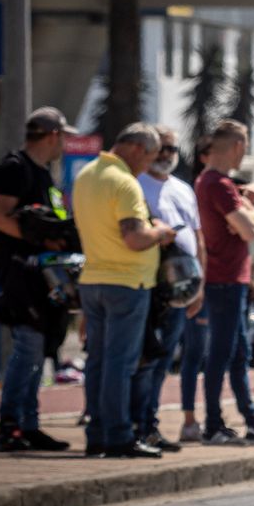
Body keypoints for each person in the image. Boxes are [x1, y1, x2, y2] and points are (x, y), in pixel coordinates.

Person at [74, 123, 176, 459]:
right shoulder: (125, 183)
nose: (148, 164)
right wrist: (159, 231)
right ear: (135, 149)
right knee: (120, 363)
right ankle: (118, 435)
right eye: (149, 157)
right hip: (126, 283)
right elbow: (134, 238)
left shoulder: (87, 174)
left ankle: (97, 434)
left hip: (93, 280)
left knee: (98, 362)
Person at [0, 107, 78, 452]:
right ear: (53, 135)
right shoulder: (15, 169)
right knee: (26, 352)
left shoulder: (43, 174)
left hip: (40, 277)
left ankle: (29, 424)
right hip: (18, 276)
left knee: (37, 353)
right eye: (64, 136)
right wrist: (39, 239)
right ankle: (9, 426)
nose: (66, 143)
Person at [196, 119, 254, 446]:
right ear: (237, 146)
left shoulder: (217, 183)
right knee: (222, 353)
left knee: (236, 352)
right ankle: (213, 425)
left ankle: (249, 421)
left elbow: (248, 224)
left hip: (229, 279)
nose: (244, 152)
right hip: (224, 280)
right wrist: (251, 210)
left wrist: (248, 213)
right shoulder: (218, 184)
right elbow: (249, 230)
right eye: (245, 145)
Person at [132, 126, 204, 452]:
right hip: (150, 288)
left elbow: (198, 238)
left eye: (171, 149)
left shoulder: (183, 189)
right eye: (160, 148)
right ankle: (138, 425)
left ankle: (150, 426)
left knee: (162, 363)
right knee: (145, 360)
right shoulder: (135, 185)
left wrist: (199, 286)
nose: (165, 155)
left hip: (183, 288)